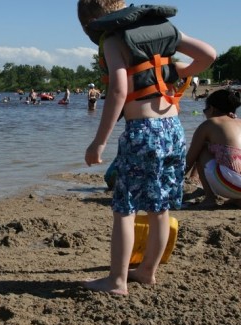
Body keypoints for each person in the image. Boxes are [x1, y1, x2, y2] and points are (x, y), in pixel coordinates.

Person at [77, 0, 216, 295]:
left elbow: (118, 90)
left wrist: (99, 141)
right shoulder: (160, 31)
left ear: (92, 22)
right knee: (160, 207)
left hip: (143, 131)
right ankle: (147, 272)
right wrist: (179, 71)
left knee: (125, 208)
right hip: (174, 128)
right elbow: (209, 54)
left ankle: (116, 281)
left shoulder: (113, 39)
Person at [185, 89, 241, 208]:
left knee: (202, 149)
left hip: (231, 186)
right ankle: (236, 199)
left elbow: (189, 160)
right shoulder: (239, 121)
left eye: (205, 109)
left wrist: (173, 180)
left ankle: (210, 198)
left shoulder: (209, 124)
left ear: (211, 108)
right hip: (236, 185)